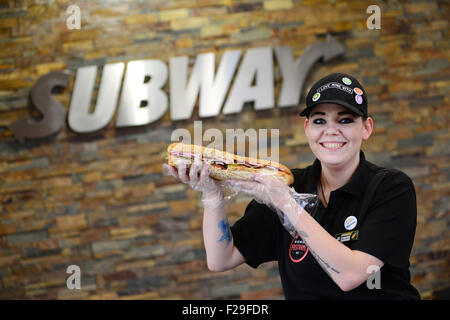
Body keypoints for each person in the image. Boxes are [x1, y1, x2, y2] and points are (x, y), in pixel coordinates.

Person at [163, 73, 421, 300]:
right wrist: (212, 195)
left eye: (345, 120)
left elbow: (351, 275)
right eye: (320, 121)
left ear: (366, 128)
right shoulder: (288, 184)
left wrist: (286, 203)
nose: (331, 131)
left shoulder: (391, 188)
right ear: (307, 128)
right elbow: (221, 259)